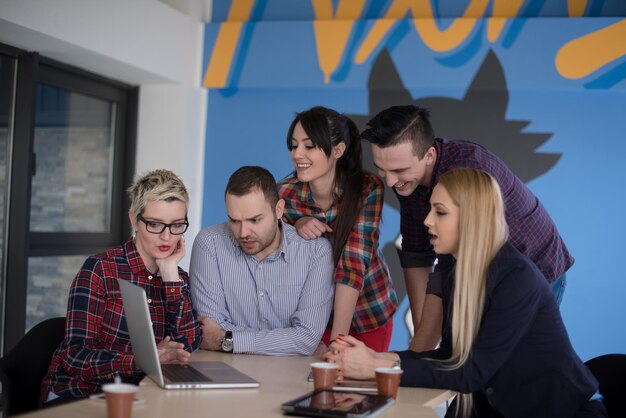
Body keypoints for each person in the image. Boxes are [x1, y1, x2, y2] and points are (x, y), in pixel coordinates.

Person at [327, 169, 606, 418]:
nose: (427, 220)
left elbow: (471, 373)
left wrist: (375, 370)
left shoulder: (517, 278)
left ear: (473, 218)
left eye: (440, 212)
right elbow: (451, 356)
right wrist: (378, 359)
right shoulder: (456, 270)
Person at [361, 105, 573, 351]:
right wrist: (420, 344)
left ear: (428, 155)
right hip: (483, 273)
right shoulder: (407, 180)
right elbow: (416, 255)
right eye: (381, 169)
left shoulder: (466, 169)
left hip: (536, 265)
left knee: (510, 367)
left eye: (399, 170)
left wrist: (421, 348)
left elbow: (446, 269)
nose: (389, 182)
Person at [40, 169, 201, 406]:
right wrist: (142, 360)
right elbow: (75, 358)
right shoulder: (99, 269)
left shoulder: (177, 277)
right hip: (80, 393)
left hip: (142, 397)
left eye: (177, 225)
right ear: (134, 219)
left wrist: (169, 274)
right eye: (155, 225)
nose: (167, 237)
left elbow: (186, 346)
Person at [278, 106, 397, 355]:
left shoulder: (367, 188)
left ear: (338, 150)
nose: (297, 154)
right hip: (315, 318)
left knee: (358, 388)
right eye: (293, 145)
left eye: (309, 146)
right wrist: (296, 224)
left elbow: (353, 262)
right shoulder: (284, 194)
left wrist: (337, 344)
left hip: (368, 315)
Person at [189, 166, 334, 356]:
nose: (243, 233)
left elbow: (306, 338)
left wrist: (227, 340)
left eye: (254, 220)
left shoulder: (316, 252)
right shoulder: (209, 244)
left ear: (279, 209)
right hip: (227, 373)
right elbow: (209, 329)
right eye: (234, 221)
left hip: (288, 379)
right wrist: (289, 341)